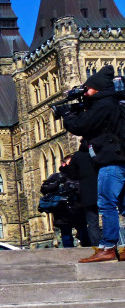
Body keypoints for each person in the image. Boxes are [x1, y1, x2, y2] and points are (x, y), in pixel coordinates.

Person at [59, 65, 125, 262]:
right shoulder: (115, 103)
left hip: (111, 162)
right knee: (122, 205)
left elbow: (80, 126)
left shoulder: (104, 105)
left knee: (106, 203)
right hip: (120, 160)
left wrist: (67, 115)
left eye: (87, 89)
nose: (85, 92)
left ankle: (108, 247)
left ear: (97, 88)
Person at [62, 139, 101, 247]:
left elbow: (72, 174)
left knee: (92, 222)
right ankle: (110, 244)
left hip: (87, 192)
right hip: (102, 188)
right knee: (109, 214)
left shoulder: (77, 156)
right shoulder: (98, 152)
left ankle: (96, 246)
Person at [40, 158, 85, 248]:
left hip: (78, 210)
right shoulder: (57, 176)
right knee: (66, 236)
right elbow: (44, 188)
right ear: (64, 164)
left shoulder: (80, 176)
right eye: (70, 163)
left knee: (84, 234)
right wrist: (56, 184)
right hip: (63, 212)